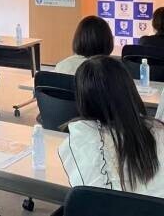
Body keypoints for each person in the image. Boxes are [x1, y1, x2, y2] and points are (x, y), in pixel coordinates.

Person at [59, 56, 164, 197]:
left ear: (83, 99)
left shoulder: (83, 138)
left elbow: (87, 197)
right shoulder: (157, 131)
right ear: (129, 89)